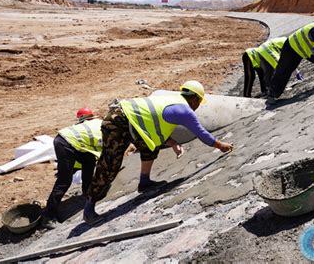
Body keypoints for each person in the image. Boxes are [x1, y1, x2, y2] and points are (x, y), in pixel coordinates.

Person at [83, 80, 233, 224]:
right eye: (199, 103)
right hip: (118, 121)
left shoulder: (172, 99)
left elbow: (154, 125)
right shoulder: (184, 110)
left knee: (150, 146)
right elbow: (201, 133)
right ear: (195, 99)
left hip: (129, 121)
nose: (198, 106)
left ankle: (145, 182)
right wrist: (221, 146)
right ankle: (89, 208)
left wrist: (173, 142)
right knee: (110, 163)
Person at [41, 107, 103, 229]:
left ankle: (87, 191)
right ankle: (48, 216)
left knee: (89, 160)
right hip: (64, 143)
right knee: (64, 181)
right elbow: (106, 152)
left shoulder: (95, 124)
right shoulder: (103, 128)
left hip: (71, 142)